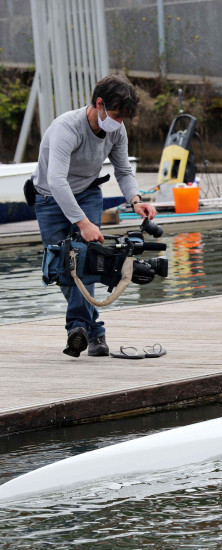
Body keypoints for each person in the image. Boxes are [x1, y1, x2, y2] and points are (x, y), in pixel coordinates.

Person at [31, 74, 156, 358]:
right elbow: (57, 181)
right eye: (115, 115)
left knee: (86, 260)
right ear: (99, 104)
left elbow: (124, 172)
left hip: (87, 193)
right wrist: (83, 223)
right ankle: (95, 331)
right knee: (64, 268)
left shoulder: (116, 130)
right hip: (49, 197)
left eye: (124, 118)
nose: (119, 123)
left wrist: (136, 200)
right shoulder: (67, 128)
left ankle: (78, 329)